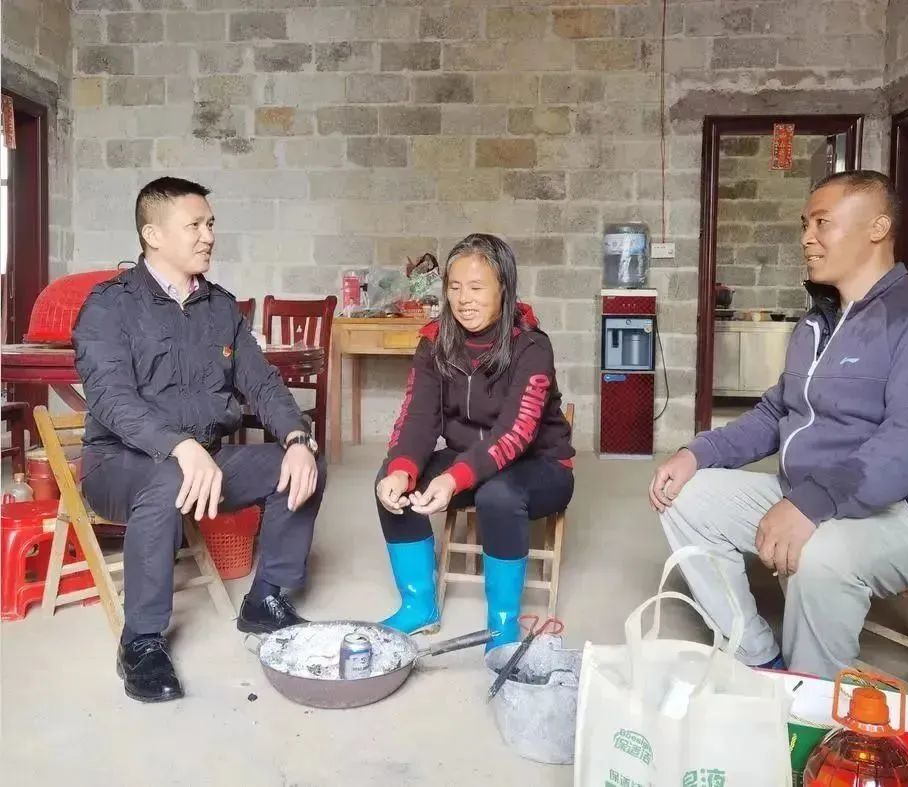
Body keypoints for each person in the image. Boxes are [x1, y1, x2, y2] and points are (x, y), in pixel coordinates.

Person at [650, 170, 908, 678]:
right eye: (805, 224)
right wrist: (696, 453)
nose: (807, 237)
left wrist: (810, 503)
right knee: (683, 496)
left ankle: (811, 700)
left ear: (877, 228)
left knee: (821, 553)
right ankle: (758, 658)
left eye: (822, 223)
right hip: (809, 493)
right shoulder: (816, 321)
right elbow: (776, 411)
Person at [74, 177, 327, 703]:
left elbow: (262, 384)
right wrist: (180, 447)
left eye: (210, 224)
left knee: (302, 465)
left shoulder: (220, 308)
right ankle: (141, 641)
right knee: (169, 477)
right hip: (118, 464)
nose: (208, 235)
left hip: (203, 462)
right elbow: (111, 400)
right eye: (194, 225)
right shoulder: (109, 306)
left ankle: (265, 599)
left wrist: (298, 437)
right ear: (153, 235)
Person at [375, 233, 574, 651]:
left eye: (477, 287)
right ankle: (418, 605)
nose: (464, 299)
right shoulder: (435, 341)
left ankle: (502, 624)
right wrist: (402, 469)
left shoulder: (531, 346)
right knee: (391, 479)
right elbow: (418, 416)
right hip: (468, 458)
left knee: (497, 496)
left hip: (540, 466)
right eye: (455, 287)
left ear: (504, 287)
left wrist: (453, 479)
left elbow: (515, 434)